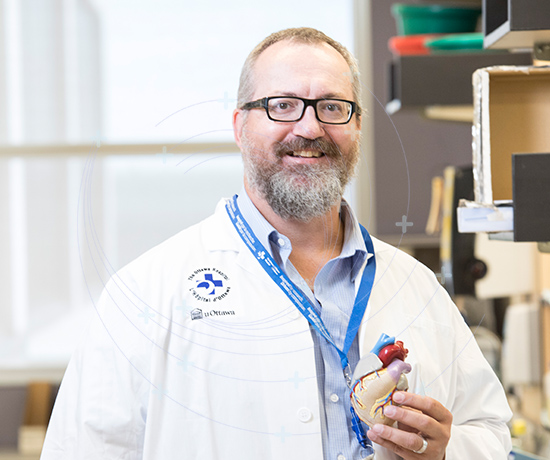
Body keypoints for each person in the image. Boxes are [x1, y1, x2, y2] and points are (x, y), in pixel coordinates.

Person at [41, 28, 512, 460]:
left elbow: (489, 428)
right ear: (240, 126)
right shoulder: (144, 294)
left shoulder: (417, 287)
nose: (309, 128)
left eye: (332, 107)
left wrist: (447, 453)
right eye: (282, 105)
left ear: (358, 126)